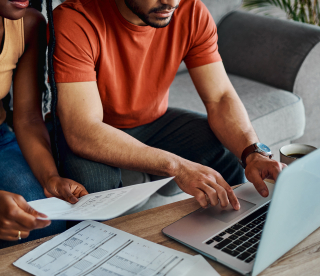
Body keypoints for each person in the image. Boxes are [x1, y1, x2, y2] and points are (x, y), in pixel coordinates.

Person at [47, 0, 286, 211]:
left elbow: (220, 97)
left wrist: (252, 153)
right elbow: (83, 130)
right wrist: (177, 166)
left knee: (225, 152)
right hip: (94, 128)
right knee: (96, 191)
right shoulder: (75, 19)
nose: (171, 2)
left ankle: (234, 235)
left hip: (155, 122)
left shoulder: (191, 12)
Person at [0, 0, 88, 246]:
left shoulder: (28, 23)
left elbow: (27, 117)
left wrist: (50, 178)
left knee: (44, 221)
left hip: (2, 139)